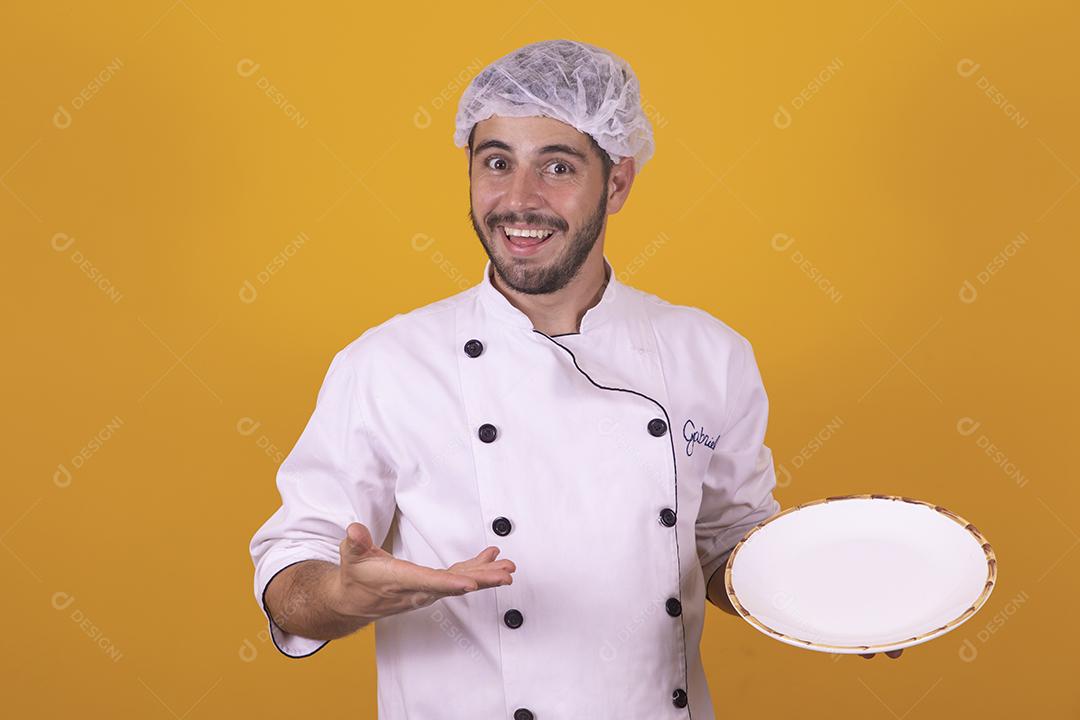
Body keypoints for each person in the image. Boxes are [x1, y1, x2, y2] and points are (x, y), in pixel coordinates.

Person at [249, 37, 897, 720]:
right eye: (496, 163)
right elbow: (295, 562)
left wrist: (826, 595)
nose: (518, 201)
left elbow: (725, 543)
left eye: (556, 166)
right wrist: (339, 598)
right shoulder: (387, 365)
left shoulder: (709, 353)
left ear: (616, 182)